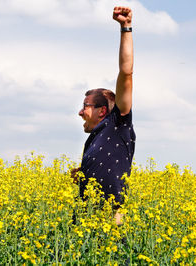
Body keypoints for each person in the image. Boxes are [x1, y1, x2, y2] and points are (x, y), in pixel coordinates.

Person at [71, 6, 135, 225]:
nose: (80, 112)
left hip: (110, 224)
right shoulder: (94, 139)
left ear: (102, 111)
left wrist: (125, 27)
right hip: (87, 225)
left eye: (85, 106)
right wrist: (84, 174)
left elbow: (126, 73)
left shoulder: (117, 125)